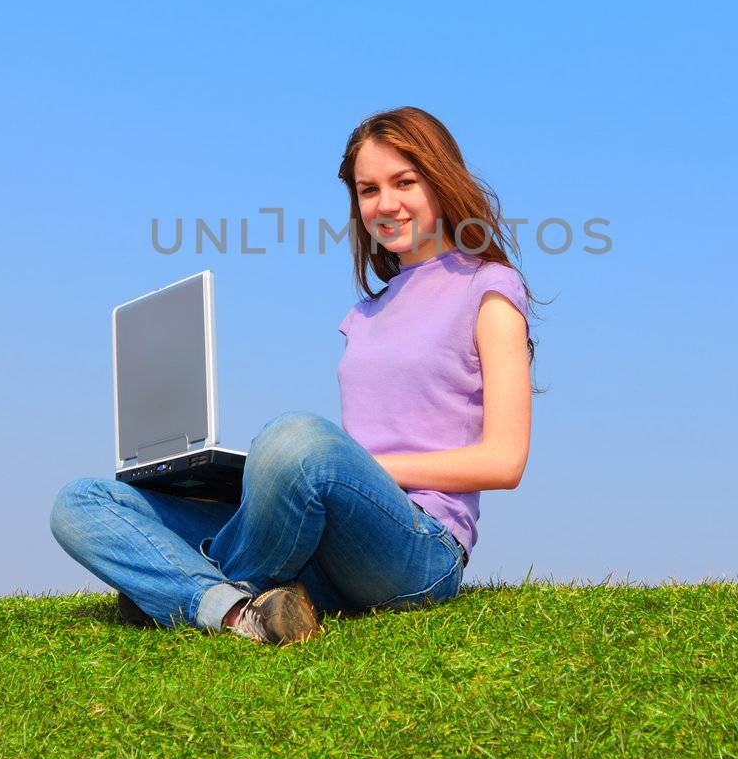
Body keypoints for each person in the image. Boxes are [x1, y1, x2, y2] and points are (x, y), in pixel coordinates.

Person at [49, 106, 538, 644]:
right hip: (332, 543)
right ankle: (237, 612)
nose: (387, 203)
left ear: (442, 181)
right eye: (368, 189)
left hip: (416, 546)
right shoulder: (366, 315)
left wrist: (359, 469)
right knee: (83, 502)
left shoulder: (489, 289)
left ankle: (178, 588)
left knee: (295, 436)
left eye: (405, 182)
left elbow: (505, 461)